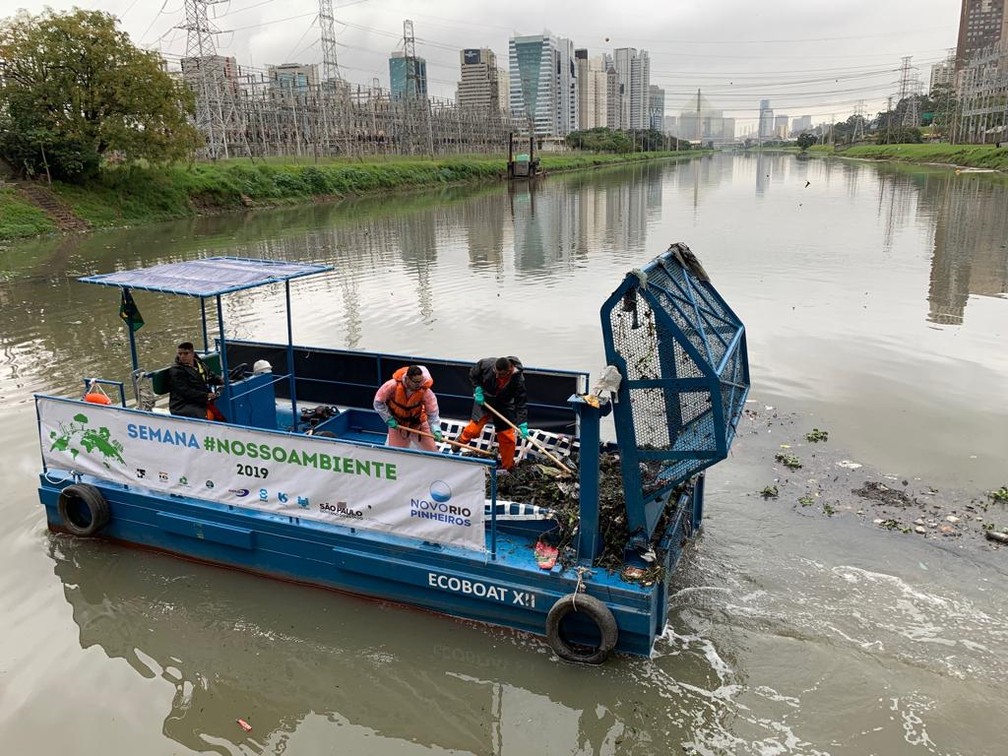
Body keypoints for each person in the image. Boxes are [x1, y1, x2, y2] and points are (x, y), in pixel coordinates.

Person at [458, 356, 528, 471]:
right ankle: (461, 440)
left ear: (509, 370)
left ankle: (508, 466)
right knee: (473, 430)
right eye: (495, 372)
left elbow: (521, 403)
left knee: (507, 437)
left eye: (500, 375)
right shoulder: (486, 364)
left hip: (504, 405)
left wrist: (523, 422)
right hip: (485, 399)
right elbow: (473, 374)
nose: (497, 376)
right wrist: (477, 388)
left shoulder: (518, 380)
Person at [373, 365, 443, 452]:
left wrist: (436, 428)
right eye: (416, 382)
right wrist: (388, 419)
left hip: (418, 424)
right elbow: (378, 402)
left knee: (433, 453)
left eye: (420, 381)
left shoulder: (425, 391)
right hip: (397, 425)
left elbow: (433, 412)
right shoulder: (391, 385)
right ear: (407, 379)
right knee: (396, 453)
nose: (419, 384)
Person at [168, 342, 225, 420]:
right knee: (207, 415)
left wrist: (219, 380)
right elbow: (185, 391)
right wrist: (206, 395)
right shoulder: (176, 370)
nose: (182, 356)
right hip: (182, 403)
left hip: (199, 399)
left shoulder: (199, 363)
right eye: (180, 354)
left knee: (222, 409)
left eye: (186, 353)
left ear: (192, 354)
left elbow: (209, 376)